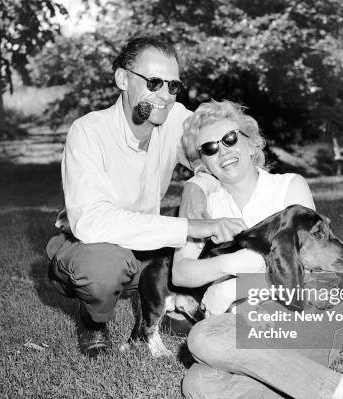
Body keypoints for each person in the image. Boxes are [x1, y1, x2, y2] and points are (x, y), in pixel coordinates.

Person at [174, 100, 343, 399]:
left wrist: (234, 289)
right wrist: (228, 265)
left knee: (202, 337)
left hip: (305, 316)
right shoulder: (210, 207)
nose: (223, 151)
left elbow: (312, 275)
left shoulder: (288, 187)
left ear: (250, 141)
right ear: (203, 161)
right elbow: (181, 272)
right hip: (245, 329)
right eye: (210, 148)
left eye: (230, 138)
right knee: (198, 385)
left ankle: (340, 392)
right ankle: (338, 383)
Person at [46, 37, 245, 357]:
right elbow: (92, 222)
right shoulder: (88, 131)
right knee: (104, 268)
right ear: (123, 79)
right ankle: (93, 319)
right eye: (154, 83)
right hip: (92, 245)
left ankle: (177, 308)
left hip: (148, 247)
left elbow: (218, 155)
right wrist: (188, 227)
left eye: (173, 86)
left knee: (222, 239)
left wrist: (197, 183)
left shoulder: (174, 117)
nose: (165, 96)